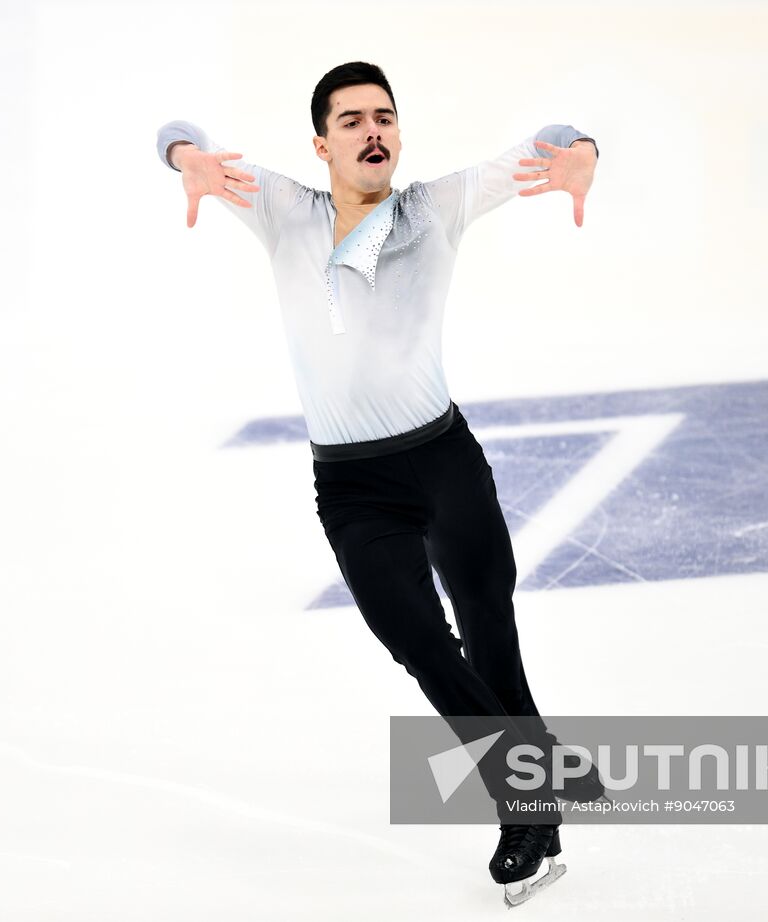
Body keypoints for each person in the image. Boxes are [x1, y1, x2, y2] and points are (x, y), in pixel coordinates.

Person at [156, 61, 607, 906]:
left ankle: (528, 807)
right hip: (356, 486)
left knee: (489, 637)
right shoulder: (284, 210)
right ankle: (537, 782)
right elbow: (176, 132)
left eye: (386, 118)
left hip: (445, 461)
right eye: (354, 119)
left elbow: (546, 142)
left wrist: (580, 148)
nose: (374, 131)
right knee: (420, 643)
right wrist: (186, 155)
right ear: (322, 142)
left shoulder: (437, 206)